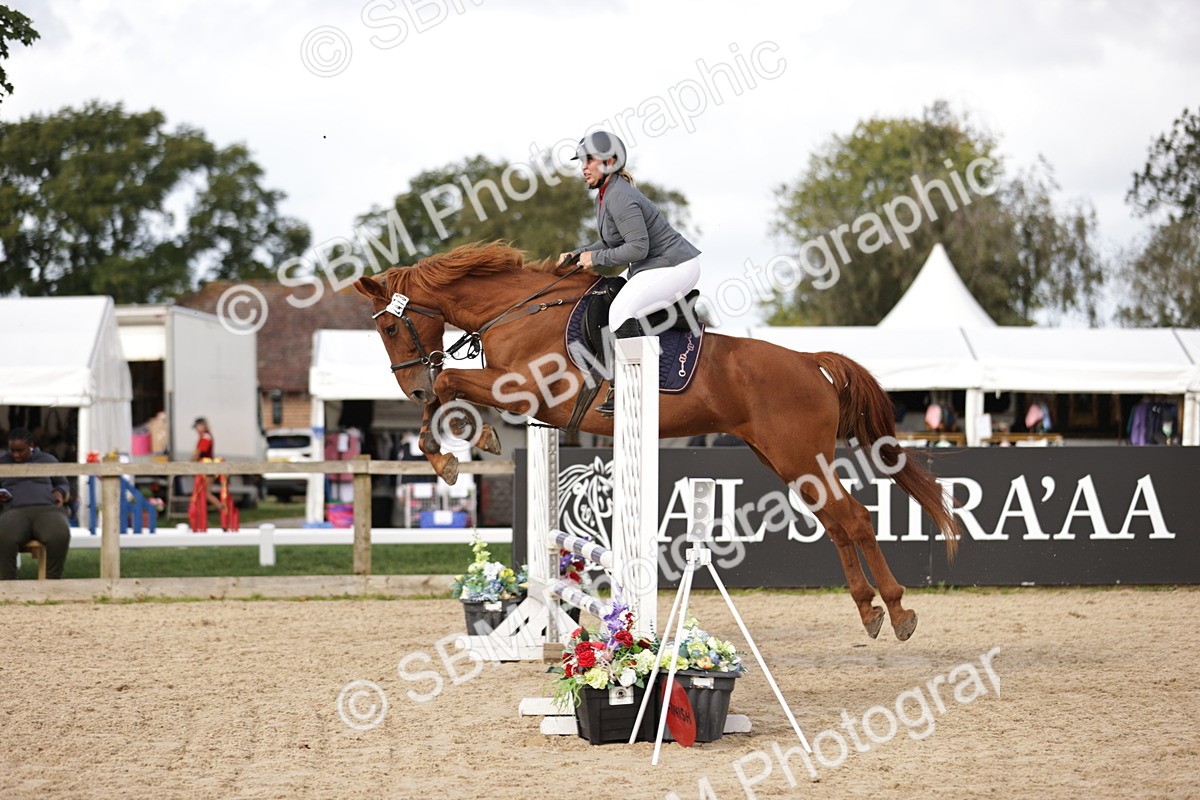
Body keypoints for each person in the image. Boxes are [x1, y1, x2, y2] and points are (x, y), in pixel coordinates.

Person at [558, 130, 701, 416]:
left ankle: (629, 388)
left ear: (610, 161)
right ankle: (671, 316)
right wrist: (578, 254)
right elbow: (611, 242)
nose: (583, 167)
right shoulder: (605, 195)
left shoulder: (620, 196)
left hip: (674, 265)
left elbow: (637, 248)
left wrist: (595, 258)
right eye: (582, 161)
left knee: (621, 311)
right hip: (656, 266)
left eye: (589, 160)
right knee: (608, 298)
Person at [0, 427, 72, 580]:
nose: (15, 455)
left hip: (47, 508)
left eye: (20, 450)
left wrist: (60, 491)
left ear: (31, 446)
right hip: (14, 510)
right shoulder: (2, 462)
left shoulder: (48, 459)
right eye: (12, 450)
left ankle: (51, 582)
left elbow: (63, 483)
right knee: (4, 534)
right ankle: (8, 583)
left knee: (59, 533)